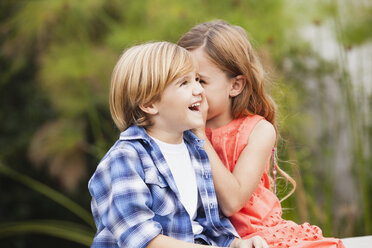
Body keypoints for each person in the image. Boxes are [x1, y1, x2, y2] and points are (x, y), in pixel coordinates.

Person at [178, 20, 345, 248]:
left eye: (201, 80)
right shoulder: (177, 130)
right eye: (184, 81)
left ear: (235, 85)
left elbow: (232, 203)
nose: (194, 90)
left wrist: (200, 136)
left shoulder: (258, 131)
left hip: (256, 235)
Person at [88, 41, 268, 248]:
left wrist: (237, 244)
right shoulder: (126, 158)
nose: (199, 90)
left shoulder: (195, 152)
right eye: (184, 83)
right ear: (149, 104)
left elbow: (208, 226)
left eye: (198, 80)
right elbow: (142, 240)